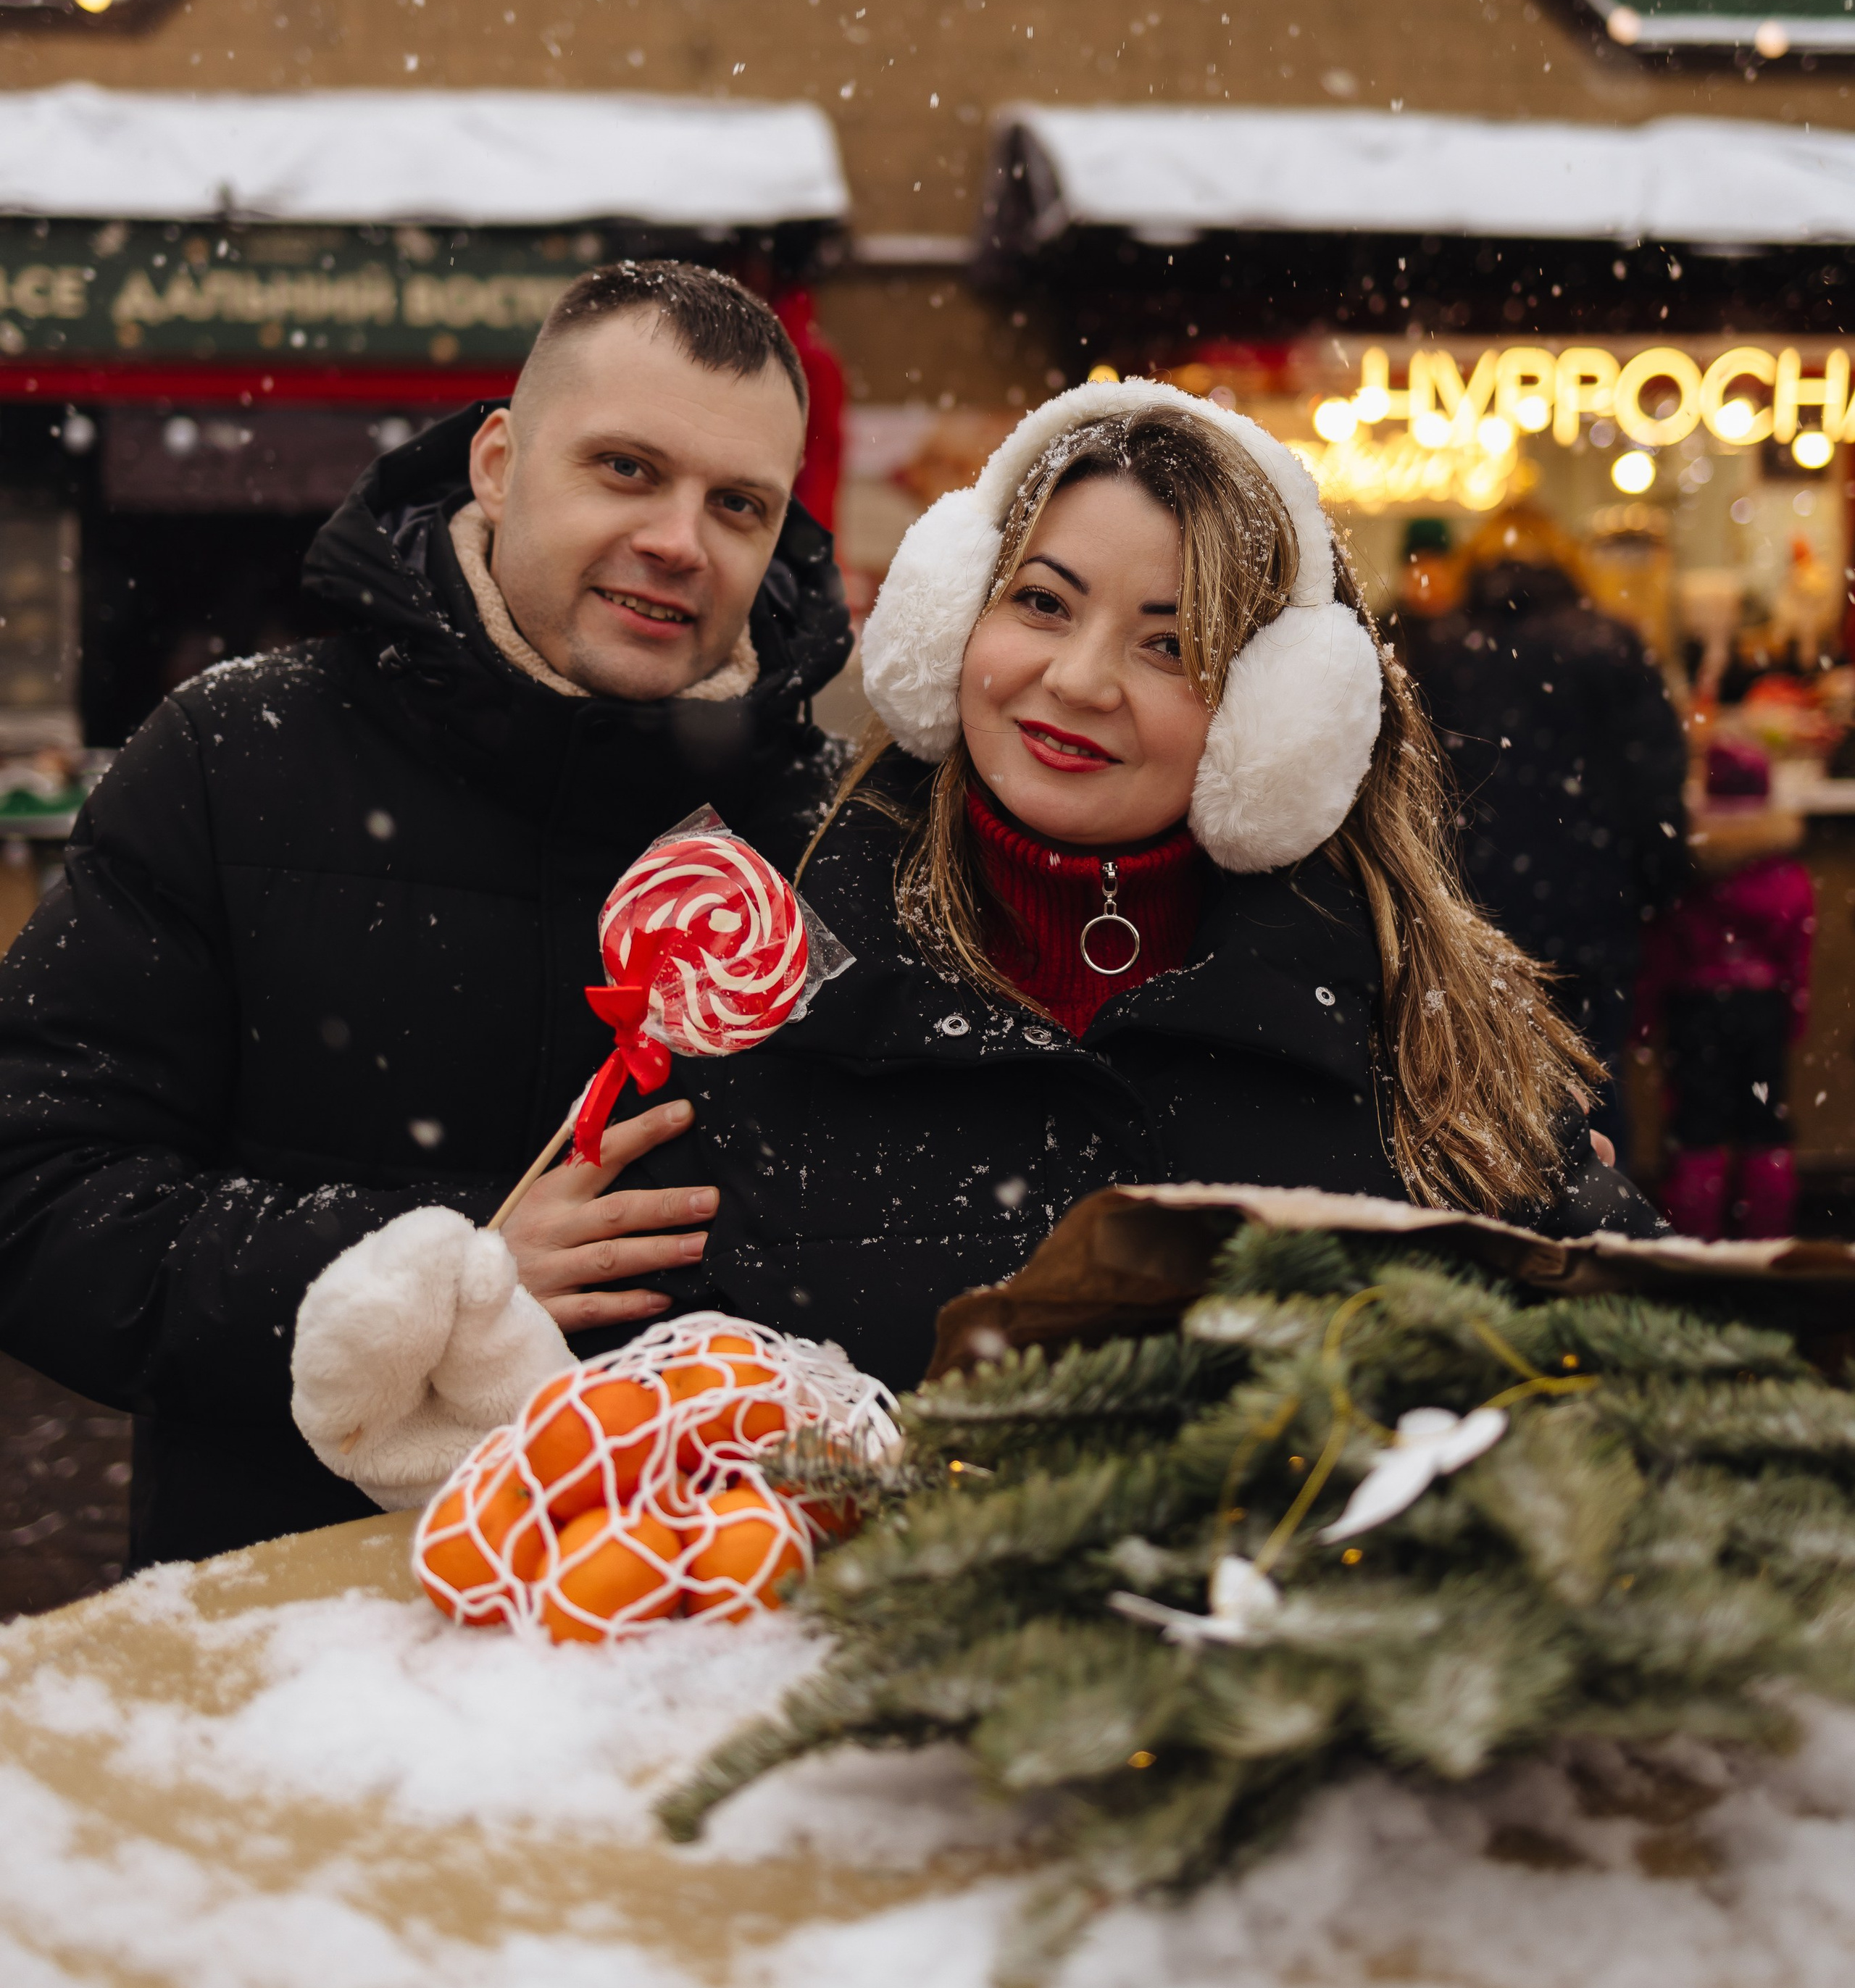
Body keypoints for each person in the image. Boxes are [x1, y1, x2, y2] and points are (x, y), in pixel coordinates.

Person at [0, 263, 850, 1565]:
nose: (682, 539)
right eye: (626, 468)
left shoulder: (836, 835)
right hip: (288, 1635)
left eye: (738, 503)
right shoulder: (236, 759)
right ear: (501, 464)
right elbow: (36, 1200)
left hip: (697, 1631)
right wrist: (431, 1273)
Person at [619, 383, 1656, 1390]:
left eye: (1172, 644)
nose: (1079, 679)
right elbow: (639, 1411)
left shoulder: (1415, 1031)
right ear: (954, 618)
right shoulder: (761, 966)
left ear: (1279, 718)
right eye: (1041, 602)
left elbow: (1650, 1387)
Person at [1397, 506, 1688, 1158]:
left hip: (1474, 909)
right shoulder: (1610, 643)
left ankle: (1507, 1239)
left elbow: (1414, 788)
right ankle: (1607, 1230)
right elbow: (1655, 786)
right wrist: (1657, 888)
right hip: (1593, 906)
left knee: (1480, 1090)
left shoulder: (1441, 649)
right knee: (1597, 1072)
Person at [1635, 739, 1815, 1240]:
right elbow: (1796, 954)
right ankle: (1767, 1239)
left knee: (1695, 1129)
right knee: (1765, 1126)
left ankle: (1693, 1243)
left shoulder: (1691, 875)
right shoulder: (1786, 876)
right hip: (1763, 1011)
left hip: (1695, 1012)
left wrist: (1647, 1015)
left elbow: (1663, 954)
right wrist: (1793, 1012)